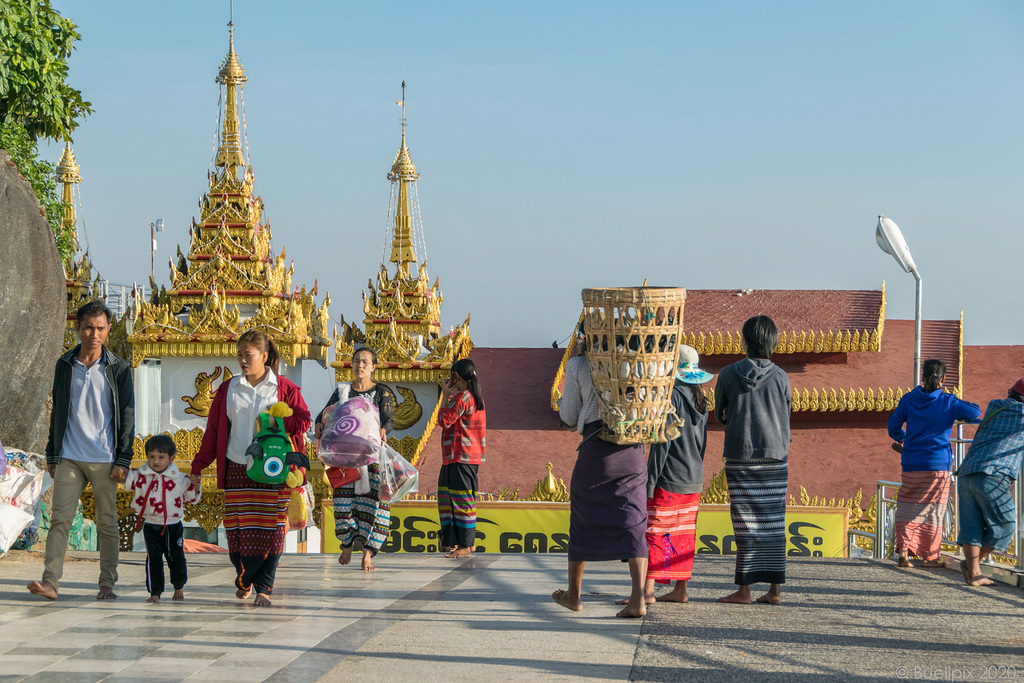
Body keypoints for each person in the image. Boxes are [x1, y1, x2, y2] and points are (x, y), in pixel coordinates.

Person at [190, 329, 311, 607]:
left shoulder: (284, 388)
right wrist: (198, 467)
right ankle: (244, 577)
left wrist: (276, 423)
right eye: (240, 355)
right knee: (238, 533)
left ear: (265, 356)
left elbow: (303, 420)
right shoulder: (228, 388)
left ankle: (263, 587)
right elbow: (214, 432)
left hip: (274, 470)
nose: (243, 360)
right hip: (237, 468)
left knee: (273, 531)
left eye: (249, 355)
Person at [28, 300, 134, 601]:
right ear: (78, 328)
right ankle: (50, 582)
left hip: (105, 458)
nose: (94, 334)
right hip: (70, 456)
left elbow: (127, 416)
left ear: (108, 329)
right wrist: (52, 454)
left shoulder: (118, 369)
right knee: (60, 518)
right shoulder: (64, 365)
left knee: (107, 522)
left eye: (100, 328)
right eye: (88, 327)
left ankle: (106, 583)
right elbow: (58, 410)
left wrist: (123, 458)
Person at [554, 331, 648, 618]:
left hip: (596, 451)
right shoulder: (638, 363)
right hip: (632, 451)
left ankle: (574, 595)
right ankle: (638, 599)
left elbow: (569, 415)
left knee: (583, 518)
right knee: (634, 519)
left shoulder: (580, 365)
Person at [618, 345, 713, 606]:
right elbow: (702, 444)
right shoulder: (701, 400)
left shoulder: (671, 398)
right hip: (694, 476)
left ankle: (646, 592)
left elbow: (663, 444)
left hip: (669, 476)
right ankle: (680, 590)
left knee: (654, 533)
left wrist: (649, 483)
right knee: (685, 535)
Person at [714, 315, 790, 605]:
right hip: (775, 456)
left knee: (745, 523)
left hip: (740, 455)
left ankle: (744, 591)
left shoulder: (728, 373)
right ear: (772, 343)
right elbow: (786, 416)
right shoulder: (781, 376)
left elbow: (720, 414)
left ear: (744, 341)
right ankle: (774, 590)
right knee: (773, 522)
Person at [887, 359, 981, 568]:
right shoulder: (947, 401)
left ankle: (904, 550)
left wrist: (904, 439)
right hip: (937, 465)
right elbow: (975, 412)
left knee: (907, 505)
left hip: (911, 462)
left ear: (923, 376)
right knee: (933, 510)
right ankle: (929, 557)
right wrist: (952, 399)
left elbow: (893, 427)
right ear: (943, 379)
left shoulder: (909, 399)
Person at [314, 347, 396, 571]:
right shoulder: (342, 391)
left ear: (373, 367)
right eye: (357, 361)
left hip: (371, 458)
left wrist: (383, 429)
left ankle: (368, 553)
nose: (360, 365)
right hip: (344, 457)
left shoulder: (381, 392)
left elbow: (389, 420)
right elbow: (324, 414)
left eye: (365, 362)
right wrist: (319, 424)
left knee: (376, 505)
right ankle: (347, 543)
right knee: (343, 505)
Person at [954, 377, 1024, 586]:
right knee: (1006, 524)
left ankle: (974, 573)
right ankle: (974, 564)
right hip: (993, 474)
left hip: (967, 471)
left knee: (972, 525)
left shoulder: (996, 406)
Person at [124, 434, 201, 603]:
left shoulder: (180, 478)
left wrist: (196, 485)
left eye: (161, 457)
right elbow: (125, 479)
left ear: (171, 458)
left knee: (176, 557)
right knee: (153, 559)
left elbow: (192, 497)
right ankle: (155, 592)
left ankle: (178, 587)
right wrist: (118, 469)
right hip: (151, 525)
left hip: (173, 526)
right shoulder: (140, 475)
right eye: (151, 457)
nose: (156, 461)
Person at [437, 358, 486, 559]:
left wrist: (445, 394)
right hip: (462, 457)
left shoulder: (463, 398)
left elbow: (443, 420)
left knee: (461, 500)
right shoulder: (476, 397)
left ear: (456, 377)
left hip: (460, 456)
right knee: (451, 498)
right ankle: (456, 542)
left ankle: (466, 545)